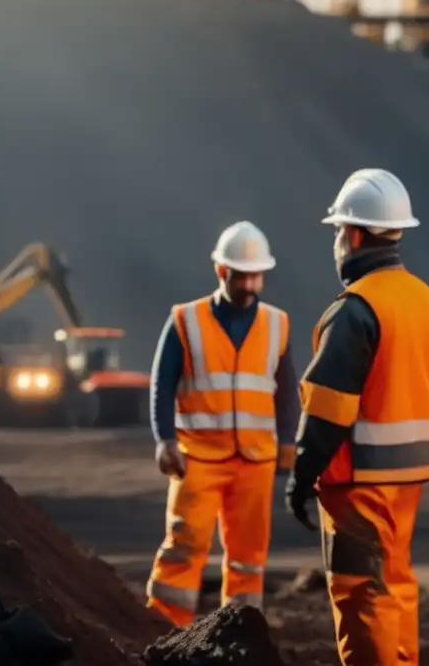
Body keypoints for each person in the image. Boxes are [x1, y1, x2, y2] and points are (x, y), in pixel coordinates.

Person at [285, 168, 429, 665]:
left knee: (363, 595)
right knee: (395, 584)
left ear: (353, 235)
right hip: (407, 482)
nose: (337, 242)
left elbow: (328, 410)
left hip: (358, 486)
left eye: (338, 230)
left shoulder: (356, 309)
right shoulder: (427, 302)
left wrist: (301, 474)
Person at [145, 220, 302, 626]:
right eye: (241, 276)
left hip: (255, 459)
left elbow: (286, 391)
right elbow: (162, 383)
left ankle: (240, 631)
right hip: (197, 456)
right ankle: (164, 625)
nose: (250, 285)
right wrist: (164, 439)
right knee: (183, 546)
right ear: (221, 272)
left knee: (249, 558)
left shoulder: (276, 324)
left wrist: (288, 442)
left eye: (256, 276)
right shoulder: (186, 320)